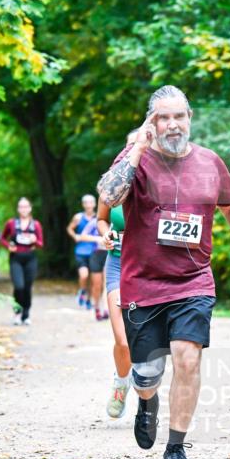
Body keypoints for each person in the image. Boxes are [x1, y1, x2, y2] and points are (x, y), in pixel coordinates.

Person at [96, 85, 230, 459]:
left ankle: (175, 446)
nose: (172, 124)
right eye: (163, 117)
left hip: (193, 281)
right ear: (151, 122)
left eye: (178, 116)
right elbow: (108, 194)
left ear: (190, 119)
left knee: (188, 359)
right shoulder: (135, 159)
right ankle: (147, 402)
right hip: (143, 282)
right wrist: (137, 147)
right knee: (147, 373)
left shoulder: (209, 162)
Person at [96, 129, 139, 418]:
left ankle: (147, 393)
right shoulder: (112, 183)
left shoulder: (157, 186)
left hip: (147, 269)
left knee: (145, 340)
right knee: (123, 340)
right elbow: (100, 219)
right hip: (116, 263)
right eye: (130, 145)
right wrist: (106, 235)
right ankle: (121, 383)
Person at [0, 198, 44, 325]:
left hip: (30, 258)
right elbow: (2, 238)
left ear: (30, 208)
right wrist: (8, 246)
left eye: (26, 206)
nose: (23, 209)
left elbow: (41, 244)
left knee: (27, 287)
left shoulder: (35, 224)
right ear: (18, 209)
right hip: (16, 259)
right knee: (19, 286)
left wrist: (34, 240)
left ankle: (26, 314)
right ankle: (17, 312)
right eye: (21, 207)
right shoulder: (11, 223)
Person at [67, 194, 101, 310]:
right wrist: (75, 235)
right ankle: (82, 291)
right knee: (84, 275)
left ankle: (88, 300)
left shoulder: (99, 217)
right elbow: (69, 228)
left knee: (93, 279)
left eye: (91, 202)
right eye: (86, 203)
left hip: (95, 251)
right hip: (81, 251)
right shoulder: (78, 217)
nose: (88, 205)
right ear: (83, 204)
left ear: (95, 204)